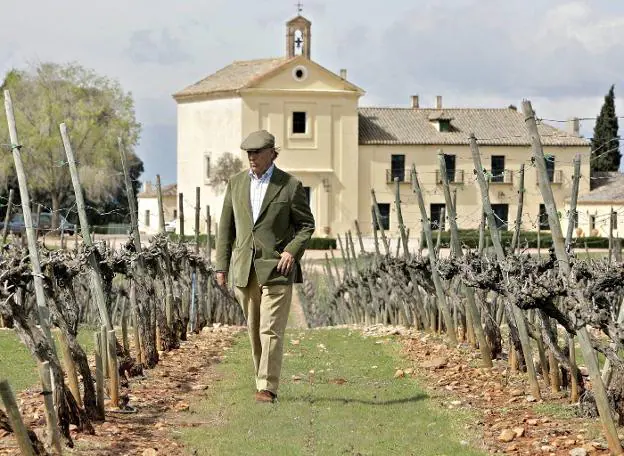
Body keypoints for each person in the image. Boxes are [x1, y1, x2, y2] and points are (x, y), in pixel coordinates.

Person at [215, 130, 315, 403]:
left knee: (270, 329)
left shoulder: (290, 185)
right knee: (254, 330)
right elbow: (226, 229)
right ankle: (261, 379)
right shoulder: (235, 184)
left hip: (277, 270)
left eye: (257, 152)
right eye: (249, 153)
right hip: (245, 270)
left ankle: (267, 387)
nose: (252, 157)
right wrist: (221, 267)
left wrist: (291, 252)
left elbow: (306, 226)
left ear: (272, 153)